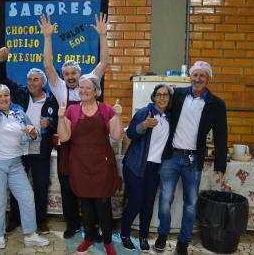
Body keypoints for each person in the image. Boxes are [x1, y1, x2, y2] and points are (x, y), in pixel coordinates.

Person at [38, 12, 109, 239]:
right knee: (68, 186)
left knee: (91, 186)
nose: (70, 76)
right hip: (67, 145)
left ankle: (93, 226)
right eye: (66, 73)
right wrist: (47, 38)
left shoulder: (89, 82)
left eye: (74, 73)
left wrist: (103, 35)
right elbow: (48, 65)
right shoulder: (59, 88)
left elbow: (104, 62)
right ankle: (73, 224)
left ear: (81, 73)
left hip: (91, 146)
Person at [154, 61, 227, 255]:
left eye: (202, 75)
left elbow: (221, 136)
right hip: (171, 156)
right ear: (190, 77)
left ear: (208, 79)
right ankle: (162, 234)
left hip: (193, 160)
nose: (198, 79)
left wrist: (220, 165)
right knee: (165, 199)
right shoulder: (177, 95)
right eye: (195, 75)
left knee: (191, 203)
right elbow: (158, 106)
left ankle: (183, 241)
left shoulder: (216, 104)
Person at [0, 82, 50, 249]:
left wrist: (33, 132)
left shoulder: (19, 113)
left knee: (27, 197)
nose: (3, 98)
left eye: (6, 95)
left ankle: (30, 234)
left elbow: (33, 135)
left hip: (16, 163)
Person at [0, 47, 59, 234]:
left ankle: (41, 221)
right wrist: (1, 61)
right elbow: (1, 80)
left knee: (40, 186)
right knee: (17, 185)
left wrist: (51, 122)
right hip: (20, 147)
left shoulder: (52, 101)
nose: (31, 82)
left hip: (41, 149)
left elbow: (58, 124)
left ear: (43, 83)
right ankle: (14, 219)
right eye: (29, 79)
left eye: (35, 80)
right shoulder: (21, 93)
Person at [57, 74, 123, 255]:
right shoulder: (71, 110)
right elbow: (64, 137)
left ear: (96, 91)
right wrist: (61, 118)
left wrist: (118, 116)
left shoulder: (106, 109)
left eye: (87, 87)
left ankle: (108, 241)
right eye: (81, 87)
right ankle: (88, 238)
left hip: (102, 164)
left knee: (103, 204)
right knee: (85, 203)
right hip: (79, 163)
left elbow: (117, 137)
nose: (83, 90)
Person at [120, 84, 173, 252]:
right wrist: (143, 125)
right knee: (135, 203)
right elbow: (130, 134)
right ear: (154, 97)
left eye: (165, 95)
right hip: (135, 165)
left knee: (148, 205)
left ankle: (143, 237)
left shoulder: (170, 117)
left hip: (155, 168)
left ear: (170, 98)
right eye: (159, 94)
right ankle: (124, 234)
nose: (162, 98)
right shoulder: (145, 112)